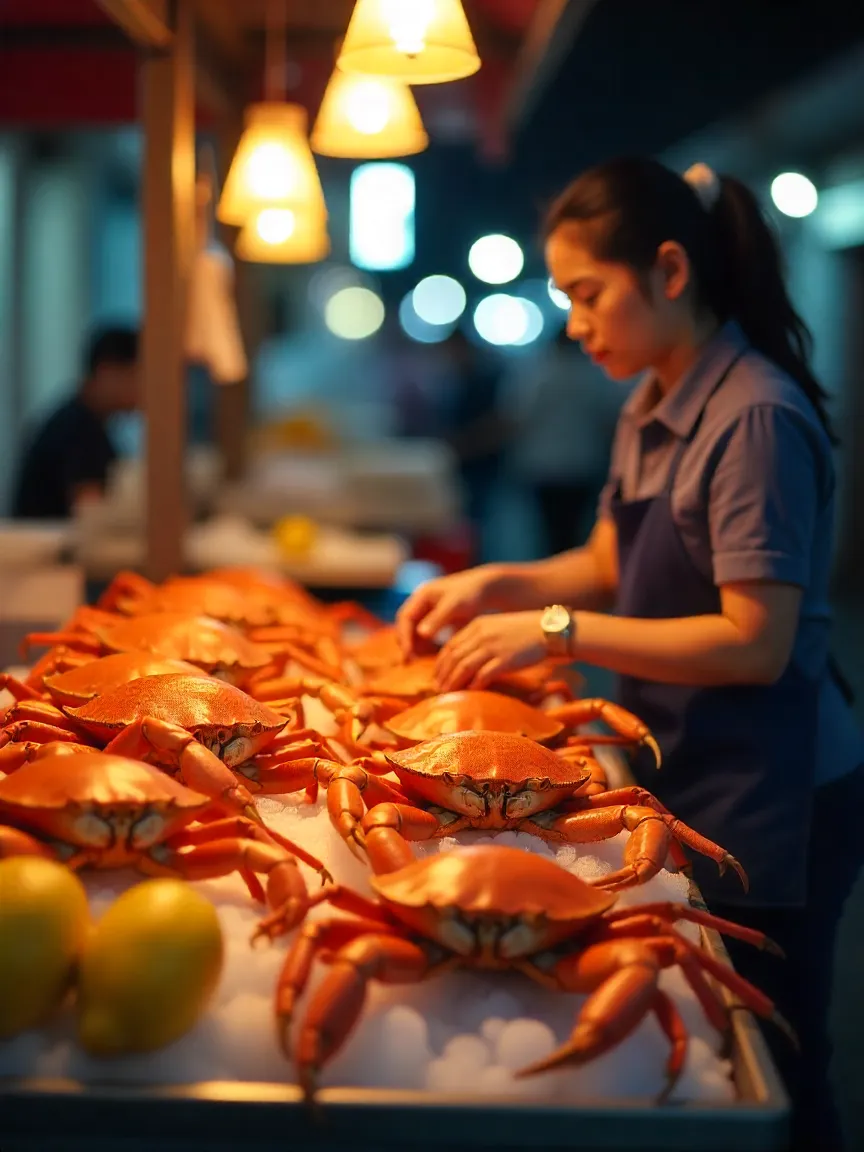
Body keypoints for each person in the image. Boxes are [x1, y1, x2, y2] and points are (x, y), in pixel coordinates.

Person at [396, 157, 864, 1150]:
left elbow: (756, 642)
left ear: (670, 271)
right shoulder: (654, 394)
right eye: (566, 297)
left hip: (778, 784)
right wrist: (504, 585)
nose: (573, 321)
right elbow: (615, 559)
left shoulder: (755, 417)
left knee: (770, 1050)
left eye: (587, 294)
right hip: (693, 755)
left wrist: (554, 631)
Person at [504, 323, 629, 555]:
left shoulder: (540, 373)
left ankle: (551, 573)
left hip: (543, 465)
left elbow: (518, 417)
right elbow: (609, 420)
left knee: (547, 530)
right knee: (574, 529)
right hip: (582, 463)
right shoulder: (594, 376)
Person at [11, 324, 139, 520]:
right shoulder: (77, 428)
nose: (144, 389)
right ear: (107, 371)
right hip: (41, 547)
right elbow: (91, 513)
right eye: (137, 376)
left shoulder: (88, 422)